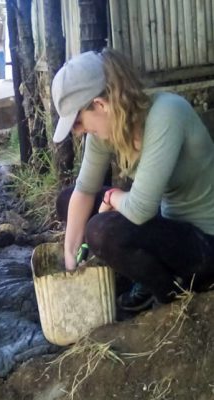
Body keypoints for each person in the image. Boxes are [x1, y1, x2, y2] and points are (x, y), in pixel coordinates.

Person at [52, 49, 214, 314]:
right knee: (67, 200)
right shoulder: (104, 130)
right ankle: (143, 271)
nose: (78, 131)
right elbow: (84, 189)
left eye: (78, 121)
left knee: (101, 231)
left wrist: (112, 197)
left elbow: (140, 210)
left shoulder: (167, 113)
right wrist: (70, 262)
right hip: (169, 225)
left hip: (204, 243)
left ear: (100, 104)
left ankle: (169, 295)